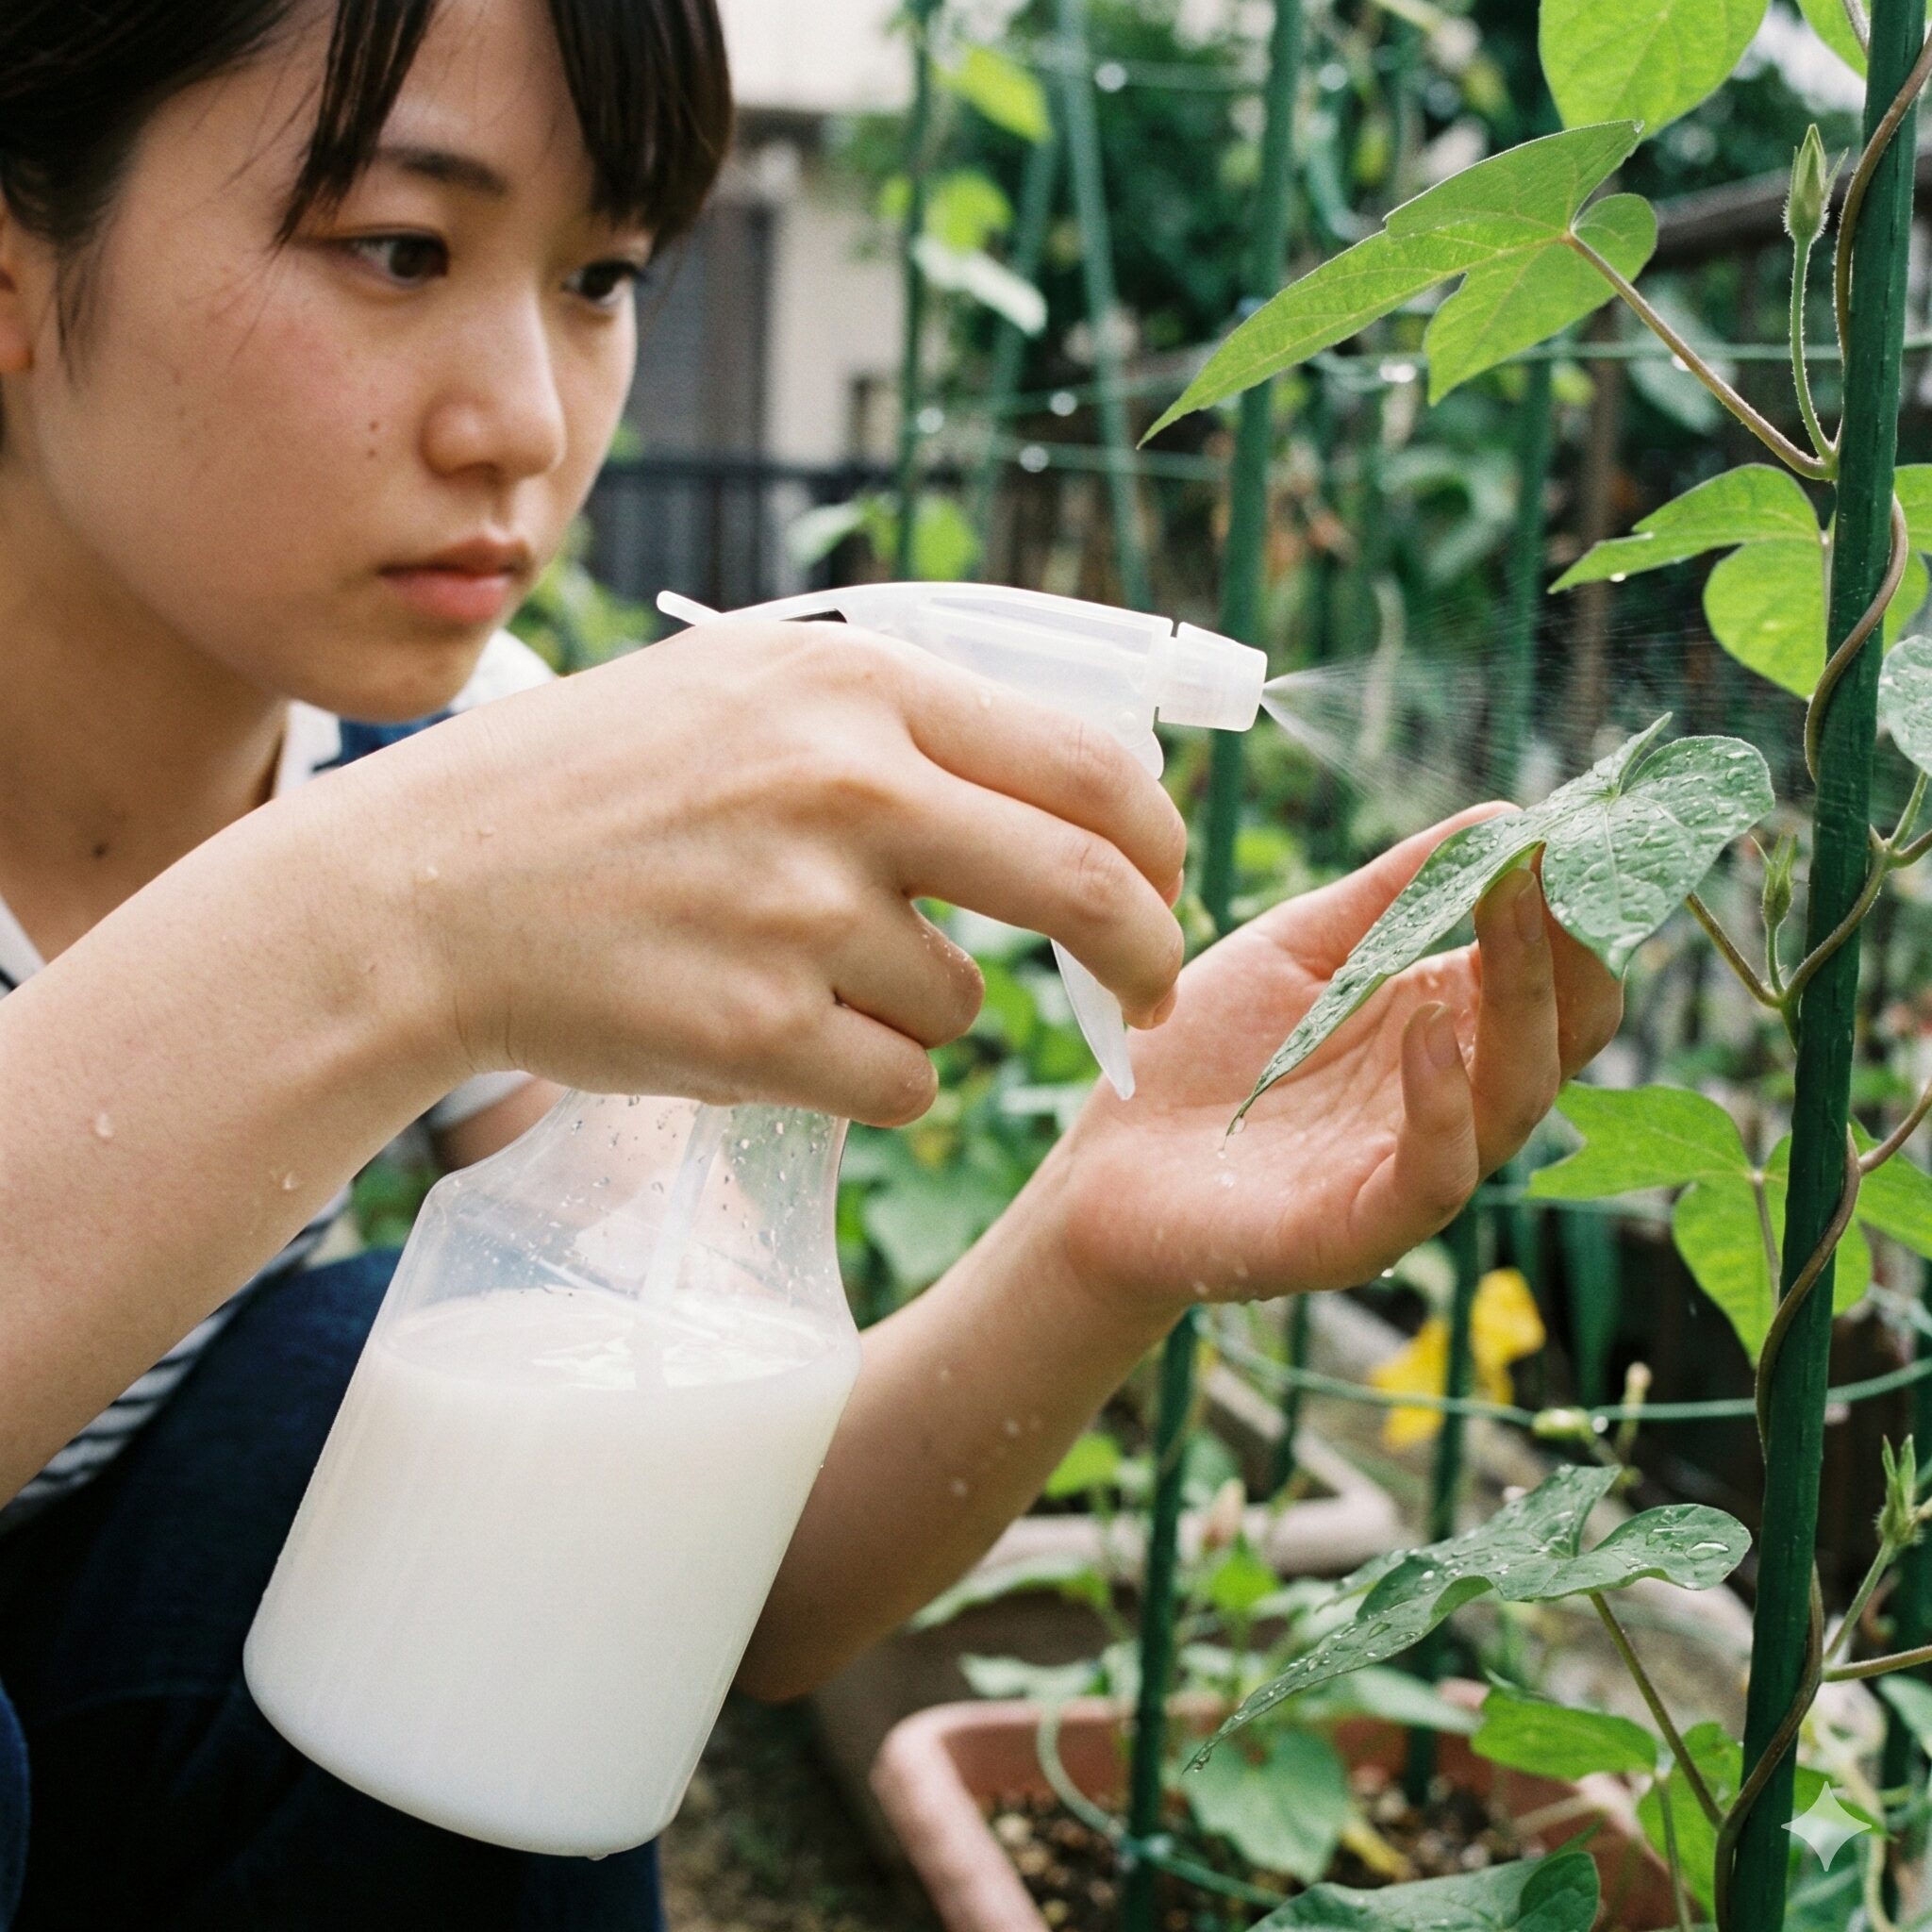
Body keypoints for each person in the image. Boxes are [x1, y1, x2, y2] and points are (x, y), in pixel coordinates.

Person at [0, 0, 1623, 1924]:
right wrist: (399, 915)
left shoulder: (437, 756)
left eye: (600, 276)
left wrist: (1107, 1225)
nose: (525, 419)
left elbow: (723, 1589)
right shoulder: (432, 837)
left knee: (443, 1414)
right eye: (400, 248)